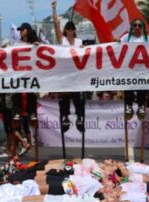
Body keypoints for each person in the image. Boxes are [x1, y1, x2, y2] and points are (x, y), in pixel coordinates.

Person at [51, 1, 85, 133]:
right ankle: (65, 117)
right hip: (65, 75)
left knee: (78, 97)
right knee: (64, 98)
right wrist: (54, 9)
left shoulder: (79, 42)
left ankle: (79, 117)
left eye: (72, 28)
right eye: (68, 28)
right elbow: (56, 24)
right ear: (65, 30)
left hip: (76, 75)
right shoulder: (62, 40)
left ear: (74, 30)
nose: (70, 30)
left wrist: (83, 49)